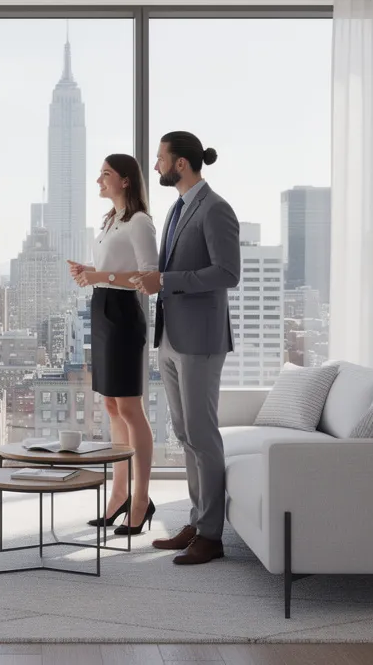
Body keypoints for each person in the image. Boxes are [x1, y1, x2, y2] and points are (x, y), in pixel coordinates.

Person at [133, 131, 240, 565]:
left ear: (181, 163)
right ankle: (197, 523)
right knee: (184, 434)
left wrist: (169, 282)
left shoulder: (215, 209)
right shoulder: (178, 208)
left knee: (202, 434)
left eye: (160, 158)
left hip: (200, 341)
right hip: (172, 338)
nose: (155, 165)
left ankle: (212, 536)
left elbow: (227, 273)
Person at [68, 154, 160, 535]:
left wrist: (99, 274)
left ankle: (141, 499)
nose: (98, 181)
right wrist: (90, 276)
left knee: (130, 407)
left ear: (125, 180)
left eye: (105, 174)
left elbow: (150, 277)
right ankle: (119, 493)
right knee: (110, 404)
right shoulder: (109, 222)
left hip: (123, 313)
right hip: (101, 311)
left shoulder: (140, 222)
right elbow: (108, 272)